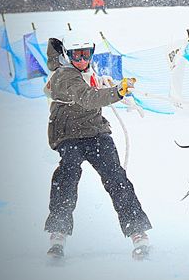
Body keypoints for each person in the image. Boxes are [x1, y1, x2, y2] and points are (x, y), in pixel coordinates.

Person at [43, 33, 151, 259]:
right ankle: (58, 232)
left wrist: (112, 88)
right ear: (66, 55)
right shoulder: (63, 75)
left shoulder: (87, 70)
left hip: (95, 132)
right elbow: (87, 98)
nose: (82, 60)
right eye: (76, 55)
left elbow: (94, 92)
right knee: (68, 175)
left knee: (116, 177)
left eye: (86, 54)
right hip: (68, 135)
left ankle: (137, 231)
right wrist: (117, 92)